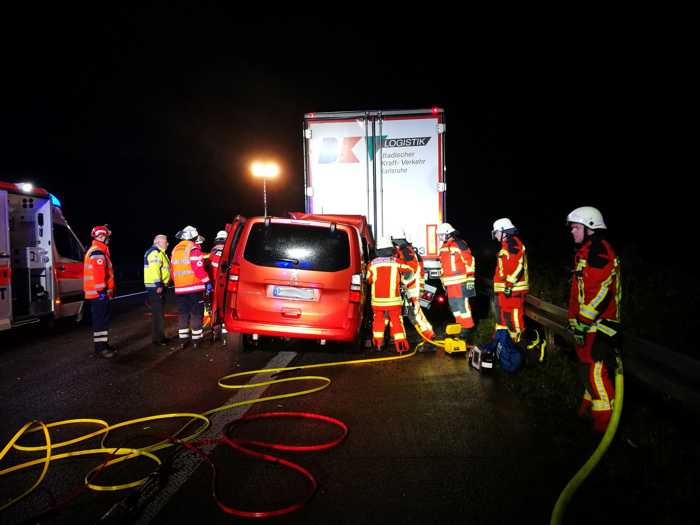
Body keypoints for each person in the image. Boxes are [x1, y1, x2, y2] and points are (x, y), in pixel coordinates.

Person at [567, 206, 622, 433]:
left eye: (576, 227)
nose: (572, 231)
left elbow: (599, 293)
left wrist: (581, 321)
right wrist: (575, 320)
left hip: (601, 327)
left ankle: (604, 429)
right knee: (588, 372)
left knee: (597, 375)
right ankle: (586, 416)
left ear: (589, 228)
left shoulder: (599, 253)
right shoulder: (587, 251)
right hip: (588, 326)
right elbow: (579, 292)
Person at [366, 236, 414, 353]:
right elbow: (409, 270)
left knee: (378, 321)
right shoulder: (396, 262)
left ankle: (378, 345)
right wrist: (403, 280)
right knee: (396, 321)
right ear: (390, 249)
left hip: (377, 302)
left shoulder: (372, 264)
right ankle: (401, 347)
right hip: (394, 301)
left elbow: (368, 280)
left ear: (378, 250)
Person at [171, 226, 211, 349]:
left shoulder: (175, 249)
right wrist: (207, 281)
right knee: (196, 313)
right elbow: (198, 269)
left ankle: (183, 340)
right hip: (194, 288)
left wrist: (178, 282)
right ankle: (196, 341)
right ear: (193, 236)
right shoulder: (193, 249)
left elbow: (172, 271)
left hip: (179, 289)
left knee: (183, 314)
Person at [391, 229, 435, 341]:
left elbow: (411, 269)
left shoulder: (405, 251)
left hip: (412, 288)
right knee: (413, 314)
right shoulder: (406, 250)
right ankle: (428, 336)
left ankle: (429, 337)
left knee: (415, 314)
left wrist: (403, 279)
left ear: (397, 241)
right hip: (412, 287)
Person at [492, 218, 529, 343]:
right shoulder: (507, 245)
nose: (495, 235)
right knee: (505, 318)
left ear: (504, 231)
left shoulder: (513, 244)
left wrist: (509, 285)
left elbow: (518, 266)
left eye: (496, 232)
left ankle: (518, 344)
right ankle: (504, 344)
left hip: (513, 291)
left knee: (514, 319)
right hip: (506, 291)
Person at [83, 225, 116, 358]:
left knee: (102, 320)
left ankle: (103, 344)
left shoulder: (98, 250)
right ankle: (100, 348)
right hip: (98, 294)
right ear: (102, 236)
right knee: (100, 321)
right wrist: (102, 291)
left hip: (97, 294)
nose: (109, 239)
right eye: (107, 237)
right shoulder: (98, 252)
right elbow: (98, 275)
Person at [437, 223, 476, 332]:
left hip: (461, 282)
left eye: (441, 235)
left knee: (462, 306)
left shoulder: (460, 244)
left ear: (448, 234)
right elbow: (443, 267)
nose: (439, 238)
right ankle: (460, 326)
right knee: (454, 307)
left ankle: (467, 329)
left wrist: (470, 279)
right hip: (450, 284)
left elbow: (469, 261)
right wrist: (443, 282)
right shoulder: (443, 248)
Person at [144, 234, 171, 346]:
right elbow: (155, 270)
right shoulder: (155, 253)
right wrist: (159, 284)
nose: (167, 243)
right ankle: (159, 339)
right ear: (158, 242)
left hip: (156, 287)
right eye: (166, 241)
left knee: (157, 314)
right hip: (156, 287)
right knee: (158, 315)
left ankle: (158, 337)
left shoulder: (158, 252)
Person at [207, 230, 228, 345]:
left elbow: (208, 269)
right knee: (225, 309)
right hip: (224, 287)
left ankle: (216, 333)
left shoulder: (213, 253)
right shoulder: (228, 252)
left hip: (214, 286)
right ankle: (225, 336)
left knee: (214, 310)